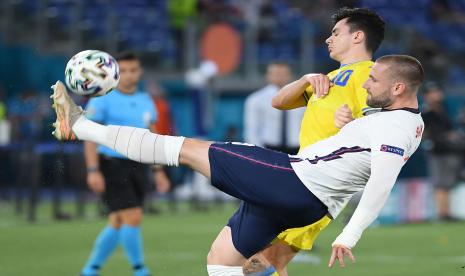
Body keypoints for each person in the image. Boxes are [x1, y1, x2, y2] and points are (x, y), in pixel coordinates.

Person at [51, 54, 424, 274]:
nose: (367, 83)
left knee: (185, 148)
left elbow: (381, 181)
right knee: (222, 261)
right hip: (300, 196)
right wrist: (348, 125)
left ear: (398, 89)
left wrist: (349, 234)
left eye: (373, 79)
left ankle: (80, 126)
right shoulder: (391, 120)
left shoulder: (396, 125)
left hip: (293, 181)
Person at [244, 7, 386, 275]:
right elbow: (279, 101)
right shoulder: (328, 78)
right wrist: (305, 79)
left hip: (322, 184)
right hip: (300, 173)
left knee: (260, 262)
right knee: (266, 259)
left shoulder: (373, 76)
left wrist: (354, 125)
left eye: (335, 33)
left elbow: (382, 130)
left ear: (357, 37)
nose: (327, 39)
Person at [79, 52, 162, 276]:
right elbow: (90, 136)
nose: (128, 75)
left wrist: (159, 170)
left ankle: (90, 270)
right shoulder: (102, 98)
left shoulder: (146, 100)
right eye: (123, 71)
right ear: (114, 73)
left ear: (140, 71)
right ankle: (140, 269)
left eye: (133, 70)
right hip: (112, 164)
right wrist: (93, 170)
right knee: (133, 216)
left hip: (140, 165)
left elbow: (153, 136)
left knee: (118, 220)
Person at [422, 82, 464, 221]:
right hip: (437, 151)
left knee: (447, 184)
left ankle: (446, 213)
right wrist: (444, 136)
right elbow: (426, 134)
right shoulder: (426, 113)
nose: (437, 95)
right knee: (440, 183)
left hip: (449, 150)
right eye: (433, 93)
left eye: (438, 92)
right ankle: (442, 214)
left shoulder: (444, 109)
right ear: (426, 96)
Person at [244, 62, 304, 155]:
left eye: (283, 74)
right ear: (268, 76)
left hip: (297, 147)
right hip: (268, 147)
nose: (280, 77)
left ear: (290, 76)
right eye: (276, 74)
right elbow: (252, 128)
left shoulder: (302, 97)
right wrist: (258, 152)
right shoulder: (256, 99)